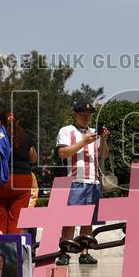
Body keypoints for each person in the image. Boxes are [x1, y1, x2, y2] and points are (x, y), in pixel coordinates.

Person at [55, 101, 109, 265]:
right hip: (75, 181)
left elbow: (103, 155)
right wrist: (84, 142)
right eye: (83, 114)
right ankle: (64, 252)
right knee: (70, 219)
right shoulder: (66, 131)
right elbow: (63, 153)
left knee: (88, 220)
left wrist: (104, 139)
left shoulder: (94, 133)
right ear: (75, 114)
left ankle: (84, 253)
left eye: (89, 114)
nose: (86, 117)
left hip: (93, 181)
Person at [0, 110, 37, 233]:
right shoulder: (25, 137)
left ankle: (0, 251)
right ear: (18, 121)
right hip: (21, 181)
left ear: (0, 122)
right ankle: (14, 251)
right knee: (16, 220)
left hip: (0, 181)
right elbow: (33, 158)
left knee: (1, 220)